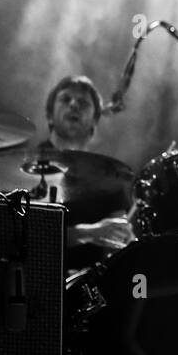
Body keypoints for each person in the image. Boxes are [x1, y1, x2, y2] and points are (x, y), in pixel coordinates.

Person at [38, 74, 135, 266]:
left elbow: (117, 241)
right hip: (38, 278)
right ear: (49, 116)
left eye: (83, 102)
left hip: (89, 290)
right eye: (66, 99)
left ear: (94, 122)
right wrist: (90, 233)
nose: (74, 105)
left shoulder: (108, 175)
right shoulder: (26, 169)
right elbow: (26, 235)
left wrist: (124, 238)